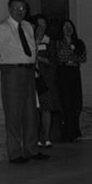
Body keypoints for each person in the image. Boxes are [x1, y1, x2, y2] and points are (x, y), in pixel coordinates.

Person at [0, 0, 50, 163]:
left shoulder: (28, 27)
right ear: (9, 9)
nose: (19, 11)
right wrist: (5, 70)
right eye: (16, 8)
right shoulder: (3, 28)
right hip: (12, 73)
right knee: (13, 114)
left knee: (31, 113)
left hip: (29, 73)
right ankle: (15, 153)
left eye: (22, 8)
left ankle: (31, 150)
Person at [55, 19, 86, 142]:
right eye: (65, 26)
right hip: (63, 73)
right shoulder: (58, 43)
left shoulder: (79, 43)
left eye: (70, 26)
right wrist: (73, 56)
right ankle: (66, 132)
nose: (68, 29)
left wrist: (71, 56)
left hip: (74, 72)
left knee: (76, 101)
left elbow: (82, 58)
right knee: (66, 101)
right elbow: (60, 57)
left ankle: (75, 131)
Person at [33, 14, 61, 147]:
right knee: (33, 109)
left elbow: (55, 61)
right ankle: (35, 138)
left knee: (46, 107)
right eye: (39, 25)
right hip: (30, 79)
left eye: (43, 25)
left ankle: (46, 138)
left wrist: (40, 59)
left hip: (45, 79)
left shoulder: (50, 42)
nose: (41, 28)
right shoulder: (28, 39)